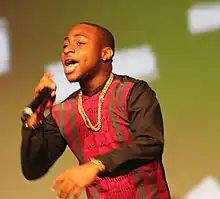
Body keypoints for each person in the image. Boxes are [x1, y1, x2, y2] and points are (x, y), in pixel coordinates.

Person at [20, 22, 171, 199]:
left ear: (105, 53)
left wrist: (95, 166)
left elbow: (150, 142)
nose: (68, 50)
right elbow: (33, 168)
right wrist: (36, 119)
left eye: (80, 43)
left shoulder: (133, 92)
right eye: (65, 45)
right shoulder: (63, 112)